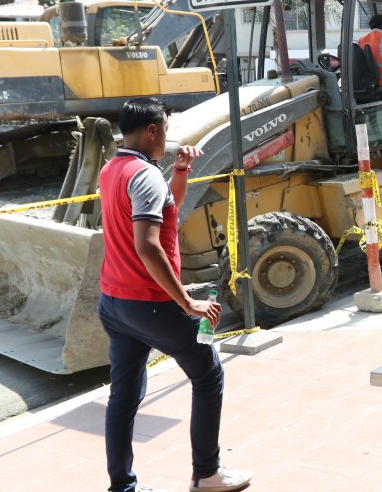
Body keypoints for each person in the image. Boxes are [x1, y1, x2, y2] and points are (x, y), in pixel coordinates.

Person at [97, 97, 251, 492]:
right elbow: (149, 245)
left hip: (113, 303)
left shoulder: (113, 169)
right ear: (152, 131)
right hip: (150, 304)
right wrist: (187, 301)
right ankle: (207, 474)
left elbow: (169, 210)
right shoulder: (144, 176)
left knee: (124, 396)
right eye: (165, 128)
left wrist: (180, 171)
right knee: (208, 373)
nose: (168, 136)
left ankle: (122, 486)